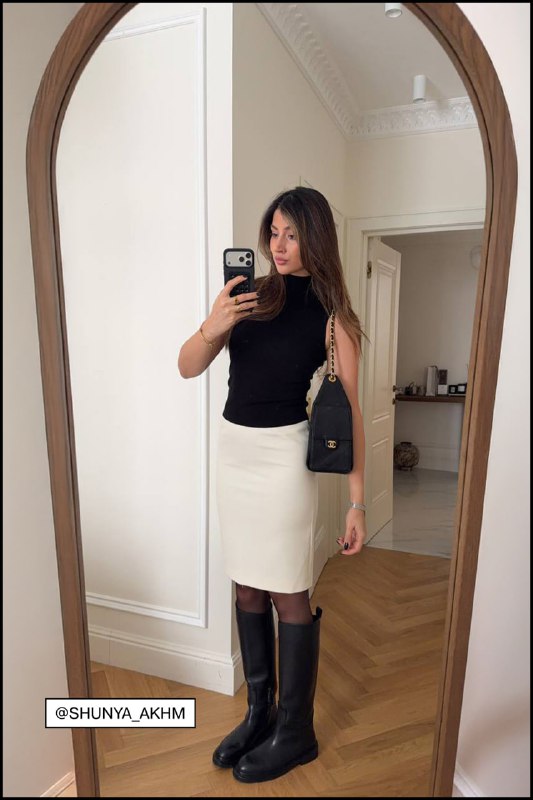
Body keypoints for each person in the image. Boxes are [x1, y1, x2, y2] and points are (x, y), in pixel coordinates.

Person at [178, 186, 367, 783]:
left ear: (316, 239)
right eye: (274, 233)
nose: (278, 246)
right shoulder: (247, 297)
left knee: (287, 590)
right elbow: (187, 365)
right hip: (234, 453)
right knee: (246, 586)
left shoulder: (333, 317)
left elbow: (350, 415)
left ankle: (296, 729)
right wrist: (214, 324)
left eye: (292, 234)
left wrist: (356, 504)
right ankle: (259, 712)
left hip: (284, 460)